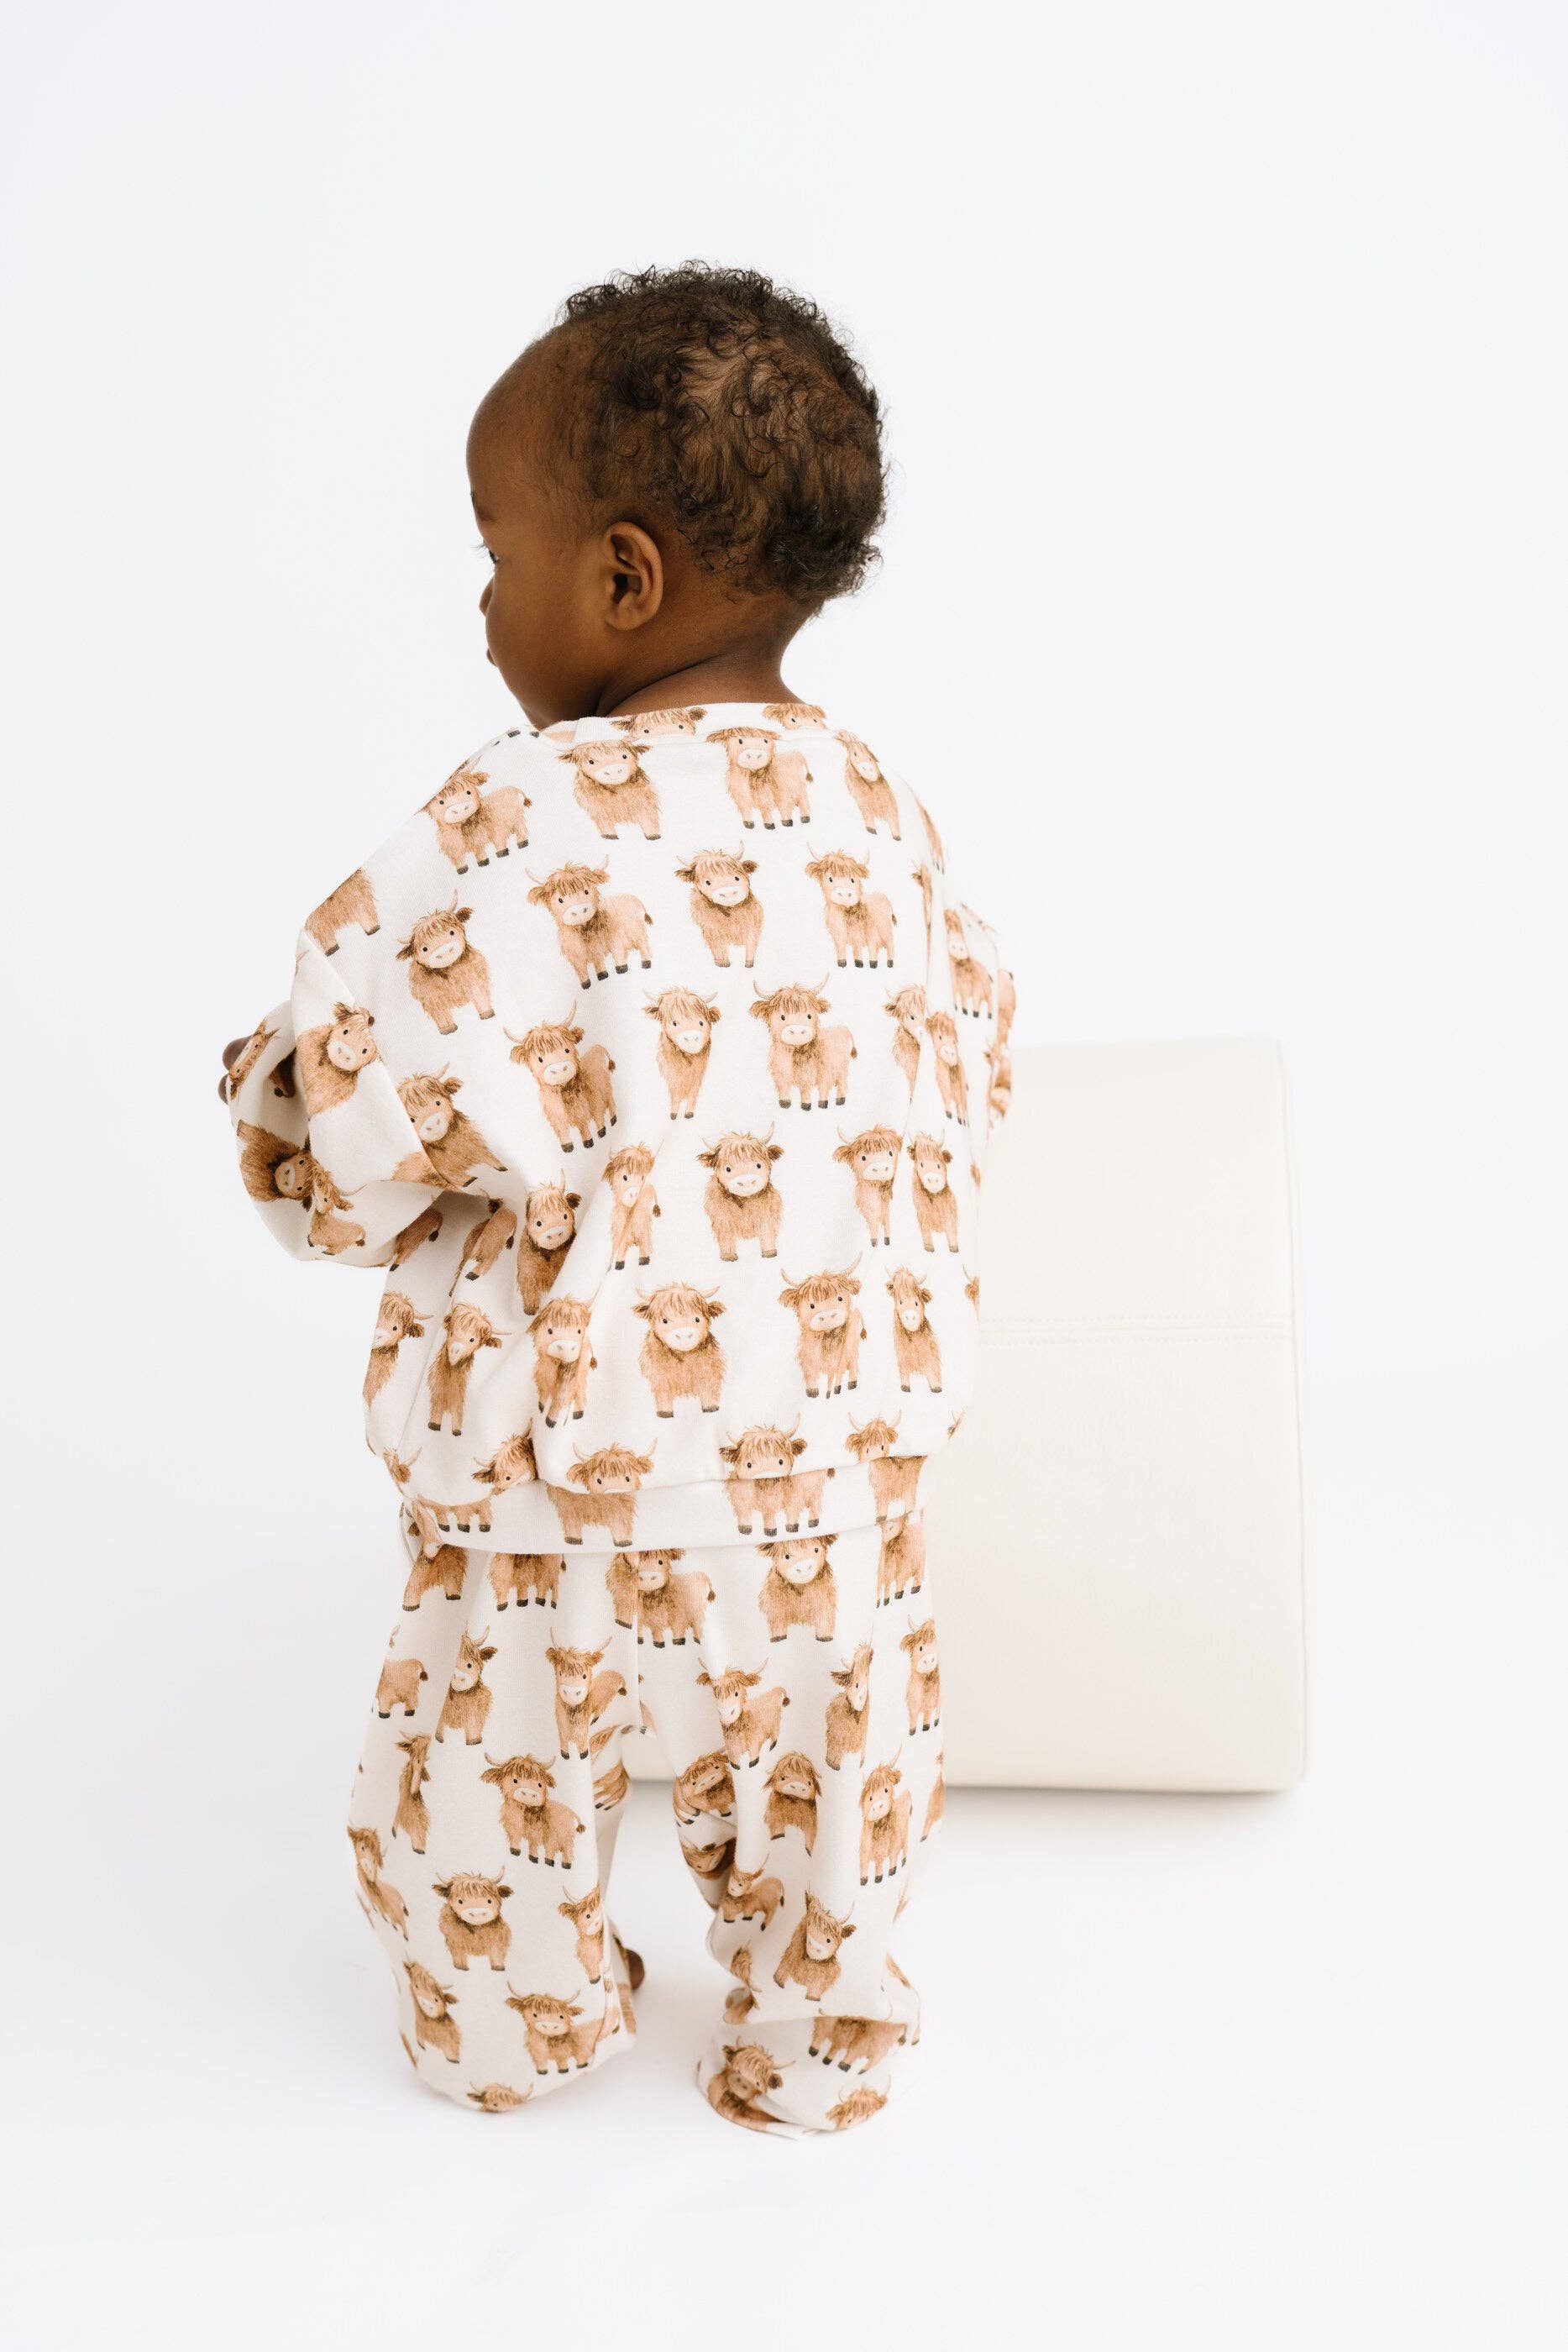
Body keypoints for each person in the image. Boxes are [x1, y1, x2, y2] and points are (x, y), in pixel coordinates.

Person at [222, 263, 1015, 2134]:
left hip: (550, 1499)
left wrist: (278, 1121)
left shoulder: (513, 822)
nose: (481, 597)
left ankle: (509, 2035)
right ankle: (818, 2048)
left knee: (474, 1806)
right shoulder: (886, 821)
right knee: (843, 1813)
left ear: (625, 580)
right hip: (842, 1497)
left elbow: (352, 1103)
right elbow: (966, 1069)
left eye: (495, 547)